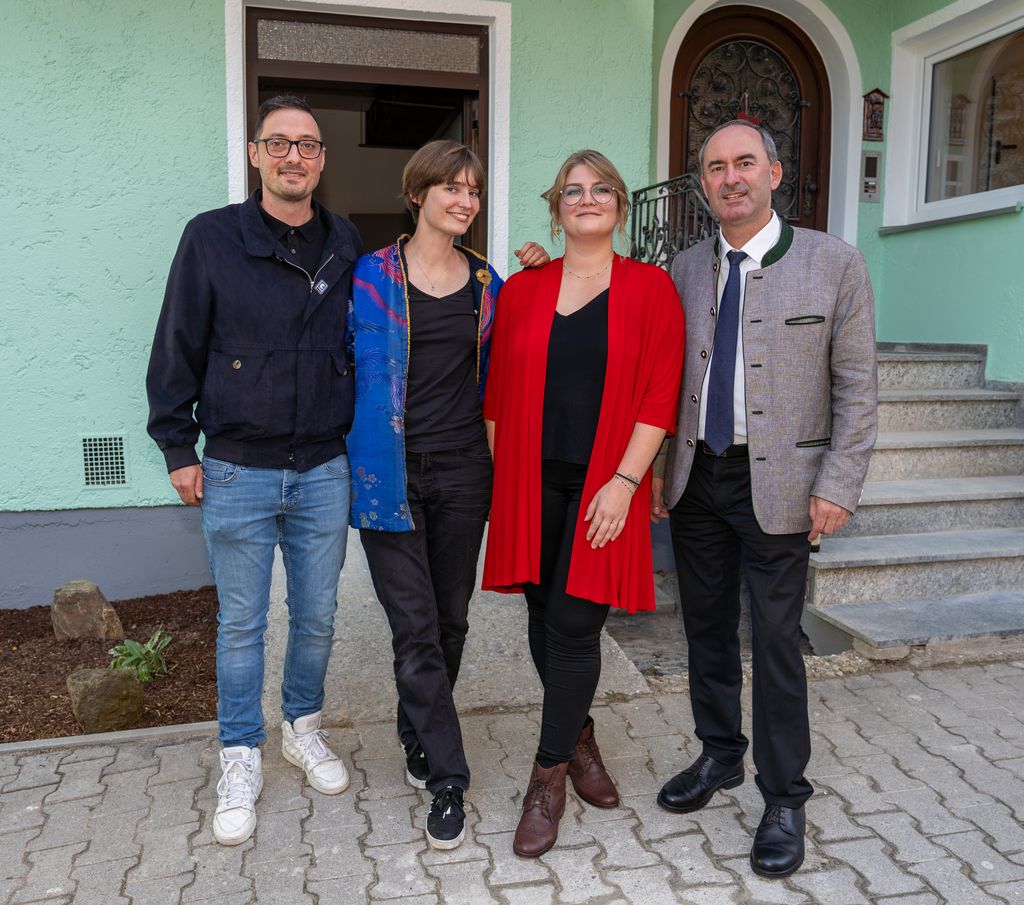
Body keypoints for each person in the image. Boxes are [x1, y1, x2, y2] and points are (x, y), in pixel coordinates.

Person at [651, 119, 878, 878]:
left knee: (777, 642)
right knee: (706, 630)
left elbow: (857, 387)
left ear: (775, 174)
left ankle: (784, 794)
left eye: (745, 162)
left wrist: (839, 484)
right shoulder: (684, 266)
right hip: (698, 477)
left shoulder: (834, 263)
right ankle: (719, 755)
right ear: (705, 183)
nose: (730, 177)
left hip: (783, 485)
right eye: (715, 167)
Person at [147, 96, 360, 846]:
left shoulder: (346, 242)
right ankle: (240, 750)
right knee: (240, 622)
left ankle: (302, 725)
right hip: (237, 466)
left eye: (307, 145)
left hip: (324, 468)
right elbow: (176, 340)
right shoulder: (211, 238)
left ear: (322, 159)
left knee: (318, 614)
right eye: (280, 143)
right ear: (255, 153)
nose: (294, 156)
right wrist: (177, 446)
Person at [346, 140, 548, 850]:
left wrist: (541, 272)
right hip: (385, 470)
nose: (464, 201)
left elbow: (534, 340)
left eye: (473, 191)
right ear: (418, 192)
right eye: (451, 188)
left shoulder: (489, 282)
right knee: (416, 626)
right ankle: (449, 778)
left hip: (464, 468)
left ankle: (416, 732)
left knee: (452, 619)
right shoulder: (368, 276)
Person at [483, 150, 685, 857]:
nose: (587, 198)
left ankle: (547, 777)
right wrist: (501, 474)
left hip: (606, 483)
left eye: (601, 188)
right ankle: (582, 737)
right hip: (529, 478)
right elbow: (498, 393)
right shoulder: (525, 289)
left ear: (621, 207)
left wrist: (627, 481)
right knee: (542, 611)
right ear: (556, 207)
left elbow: (661, 395)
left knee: (573, 620)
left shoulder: (651, 288)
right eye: (573, 190)